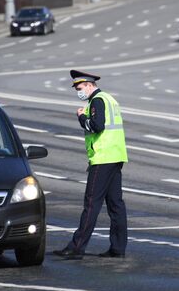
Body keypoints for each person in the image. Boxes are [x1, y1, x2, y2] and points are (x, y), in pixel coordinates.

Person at [53, 70, 128, 260]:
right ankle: (118, 248)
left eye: (79, 88)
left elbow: (97, 126)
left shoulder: (97, 101)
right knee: (115, 204)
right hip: (116, 155)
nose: (78, 92)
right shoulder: (109, 98)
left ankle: (77, 247)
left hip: (102, 158)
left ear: (88, 85)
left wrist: (81, 117)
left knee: (91, 203)